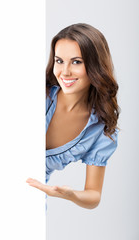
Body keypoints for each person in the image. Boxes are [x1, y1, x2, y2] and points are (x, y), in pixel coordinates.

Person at [26, 23, 120, 209]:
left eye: (77, 62)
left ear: (96, 65)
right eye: (59, 61)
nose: (65, 71)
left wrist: (70, 195)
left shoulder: (100, 130)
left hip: (32, 202)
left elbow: (93, 195)